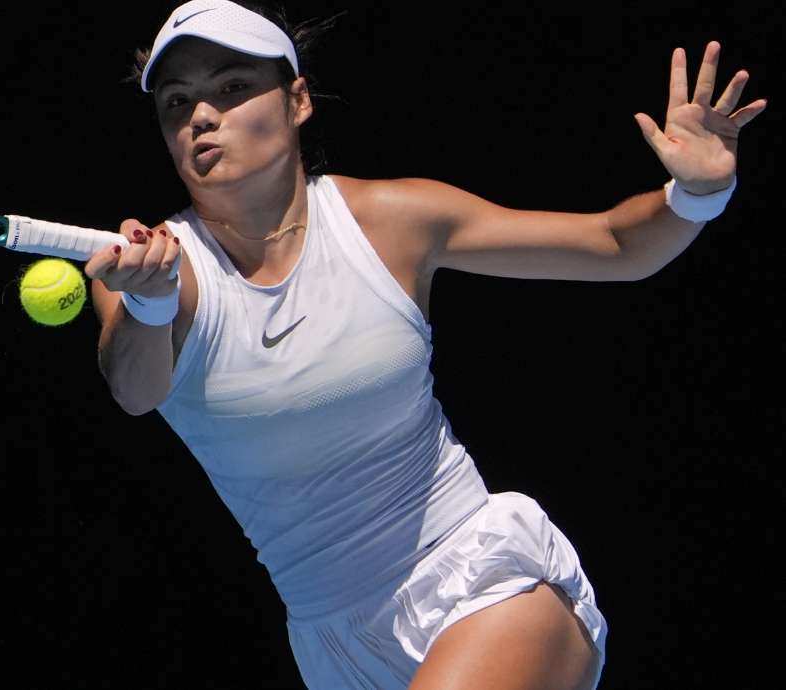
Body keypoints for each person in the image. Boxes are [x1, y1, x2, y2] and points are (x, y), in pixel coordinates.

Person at [84, 2, 766, 689]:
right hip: (334, 646)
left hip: (480, 581)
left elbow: (617, 243)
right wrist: (149, 300)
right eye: (177, 101)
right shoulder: (143, 273)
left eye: (231, 88)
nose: (201, 115)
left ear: (297, 101)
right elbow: (136, 392)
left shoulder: (391, 220)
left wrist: (699, 191)